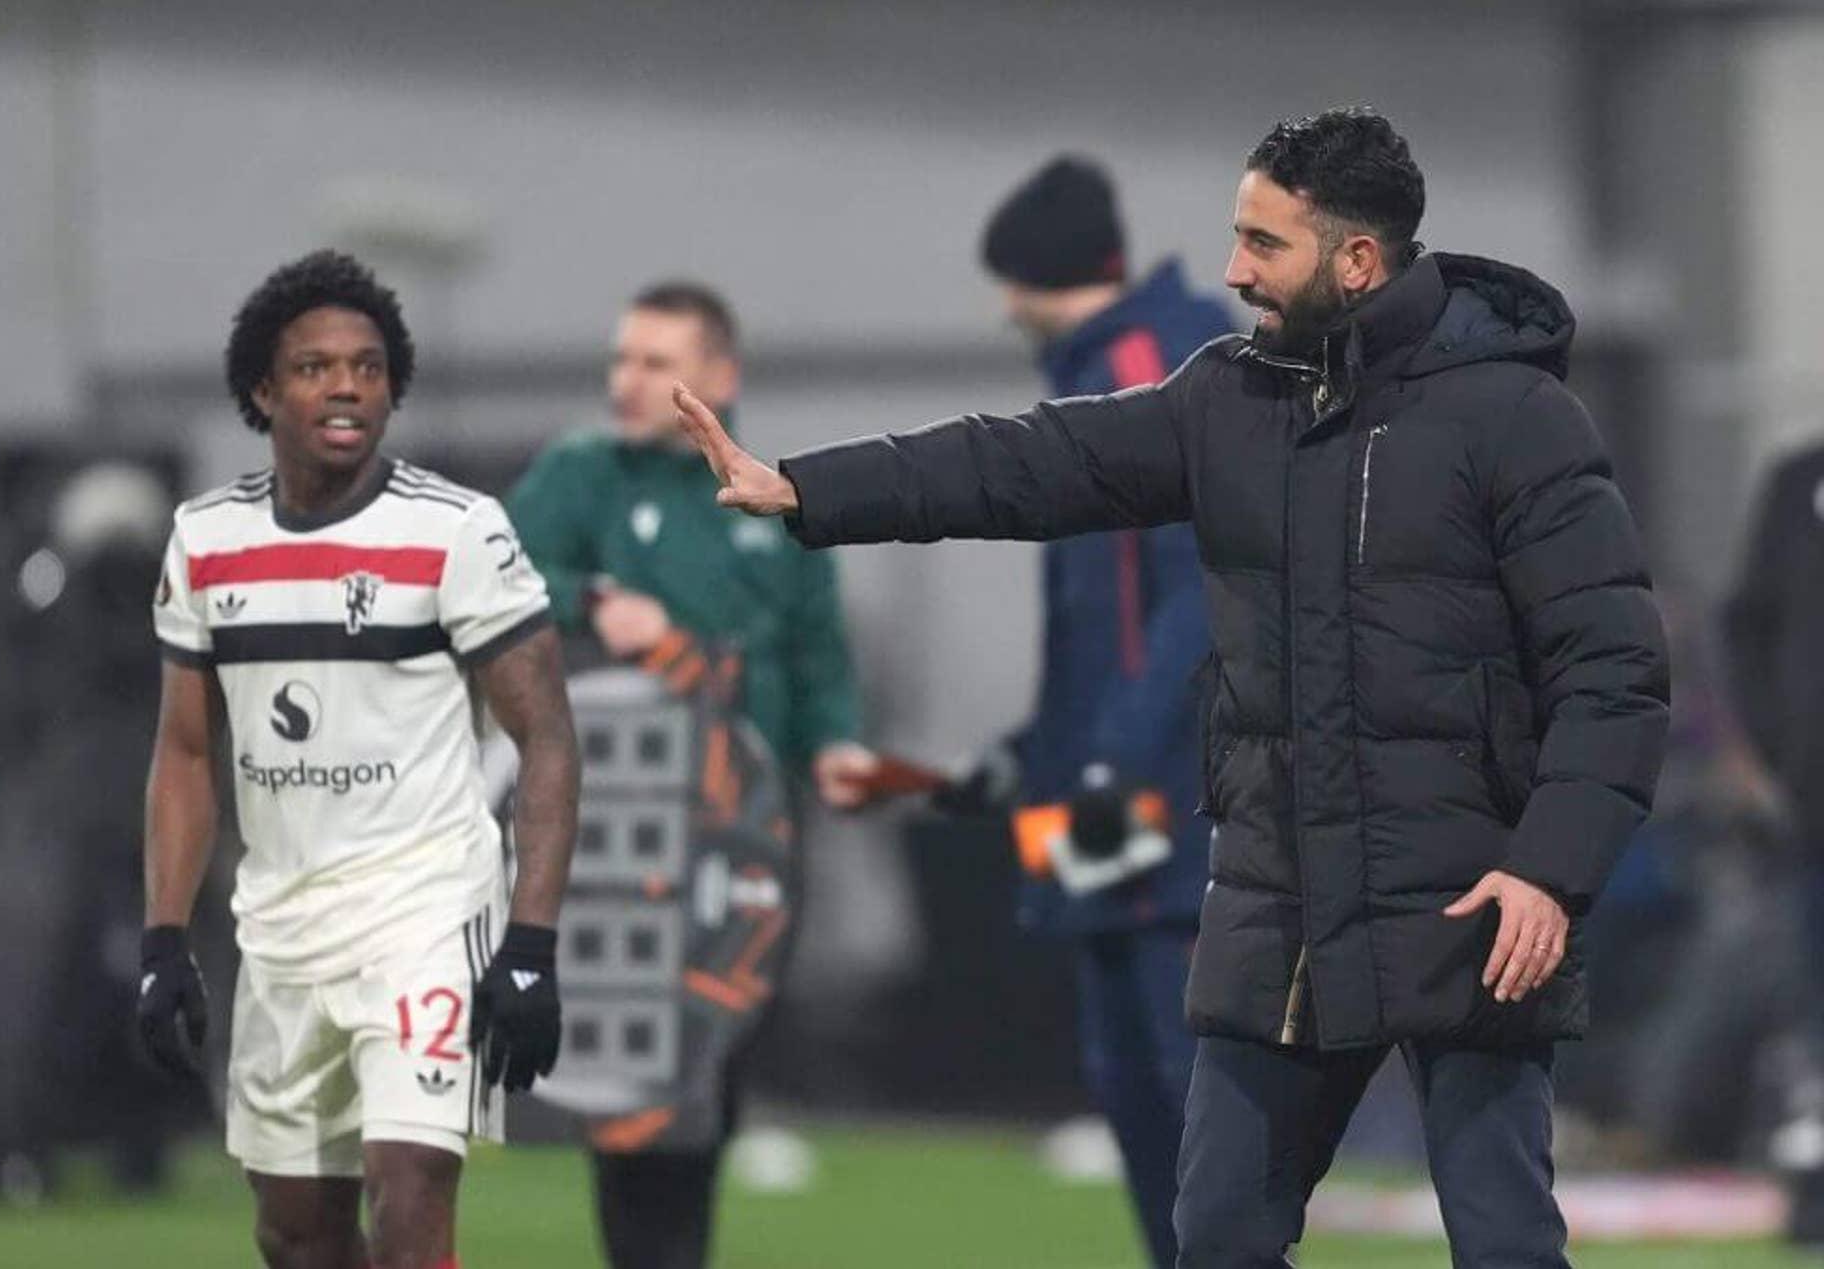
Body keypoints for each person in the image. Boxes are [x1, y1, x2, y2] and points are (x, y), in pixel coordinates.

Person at [671, 107, 1670, 1268]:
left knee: (1503, 1245)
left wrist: (1550, 866)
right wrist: (806, 488)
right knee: (1217, 1240)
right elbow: (1026, 462)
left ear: (1355, 261)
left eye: (1264, 244)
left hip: (1469, 908)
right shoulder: (1227, 399)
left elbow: (1615, 669)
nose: (1234, 270)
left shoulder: (1518, 420)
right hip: (1278, 900)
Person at [139, 250, 579, 1269]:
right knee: (296, 1231)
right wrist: (165, 937)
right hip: (283, 929)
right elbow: (185, 749)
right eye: (316, 367)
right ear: (262, 388)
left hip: (424, 912)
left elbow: (547, 737)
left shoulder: (457, 532)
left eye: (369, 367)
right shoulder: (206, 542)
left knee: (411, 1181)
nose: (346, 385)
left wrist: (531, 944)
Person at [503, 280, 875, 1269]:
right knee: (639, 1079)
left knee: (712, 1067)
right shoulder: (584, 475)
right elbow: (484, 572)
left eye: (655, 364)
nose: (627, 382)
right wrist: (590, 601)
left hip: (747, 839)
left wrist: (835, 743)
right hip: (617, 841)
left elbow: (818, 654)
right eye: (621, 359)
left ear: (720, 377)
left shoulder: (775, 493)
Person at [940, 154, 1230, 1266]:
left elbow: (1196, 590)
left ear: (1027, 275)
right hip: (1105, 790)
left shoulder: (1152, 369)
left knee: (1185, 1072)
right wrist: (1038, 757)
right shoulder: (1094, 373)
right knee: (1130, 1077)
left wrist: (1115, 759)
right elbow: (1092, 620)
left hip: (1166, 791)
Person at [1723, 441, 1824, 1244]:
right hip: (1810, 812)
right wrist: (1769, 752)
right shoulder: (1798, 482)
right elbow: (1747, 624)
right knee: (1809, 1017)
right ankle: (1813, 1196)